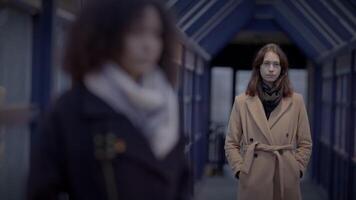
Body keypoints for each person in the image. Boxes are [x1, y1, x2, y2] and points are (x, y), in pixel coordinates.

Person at [27, 0, 190, 199]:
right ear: (105, 35)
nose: (148, 45)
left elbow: (183, 181)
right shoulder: (71, 110)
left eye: (156, 34)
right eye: (136, 32)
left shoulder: (167, 104)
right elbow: (41, 190)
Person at [224, 43, 312, 200]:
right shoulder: (242, 101)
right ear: (259, 67)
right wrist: (240, 170)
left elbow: (305, 142)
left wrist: (296, 169)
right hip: (253, 176)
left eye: (276, 64)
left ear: (282, 69)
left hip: (285, 175)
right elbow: (231, 143)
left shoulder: (296, 101)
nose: (271, 69)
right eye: (267, 64)